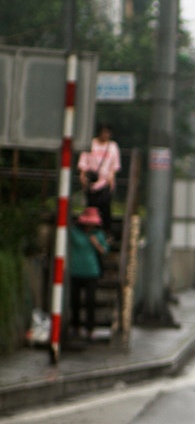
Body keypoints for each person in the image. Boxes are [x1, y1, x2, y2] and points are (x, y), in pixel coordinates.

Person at [66, 206, 108, 343]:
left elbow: (104, 251)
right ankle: (75, 326)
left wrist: (96, 243)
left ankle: (90, 329)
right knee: (75, 300)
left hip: (91, 272)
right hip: (75, 271)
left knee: (90, 301)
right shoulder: (74, 233)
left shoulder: (98, 234)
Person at [76, 124, 120, 231]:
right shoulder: (91, 144)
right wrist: (83, 177)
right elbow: (83, 163)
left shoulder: (112, 147)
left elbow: (114, 166)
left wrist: (110, 179)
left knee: (105, 209)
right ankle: (90, 231)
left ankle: (105, 232)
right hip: (91, 183)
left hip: (105, 183)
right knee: (90, 210)